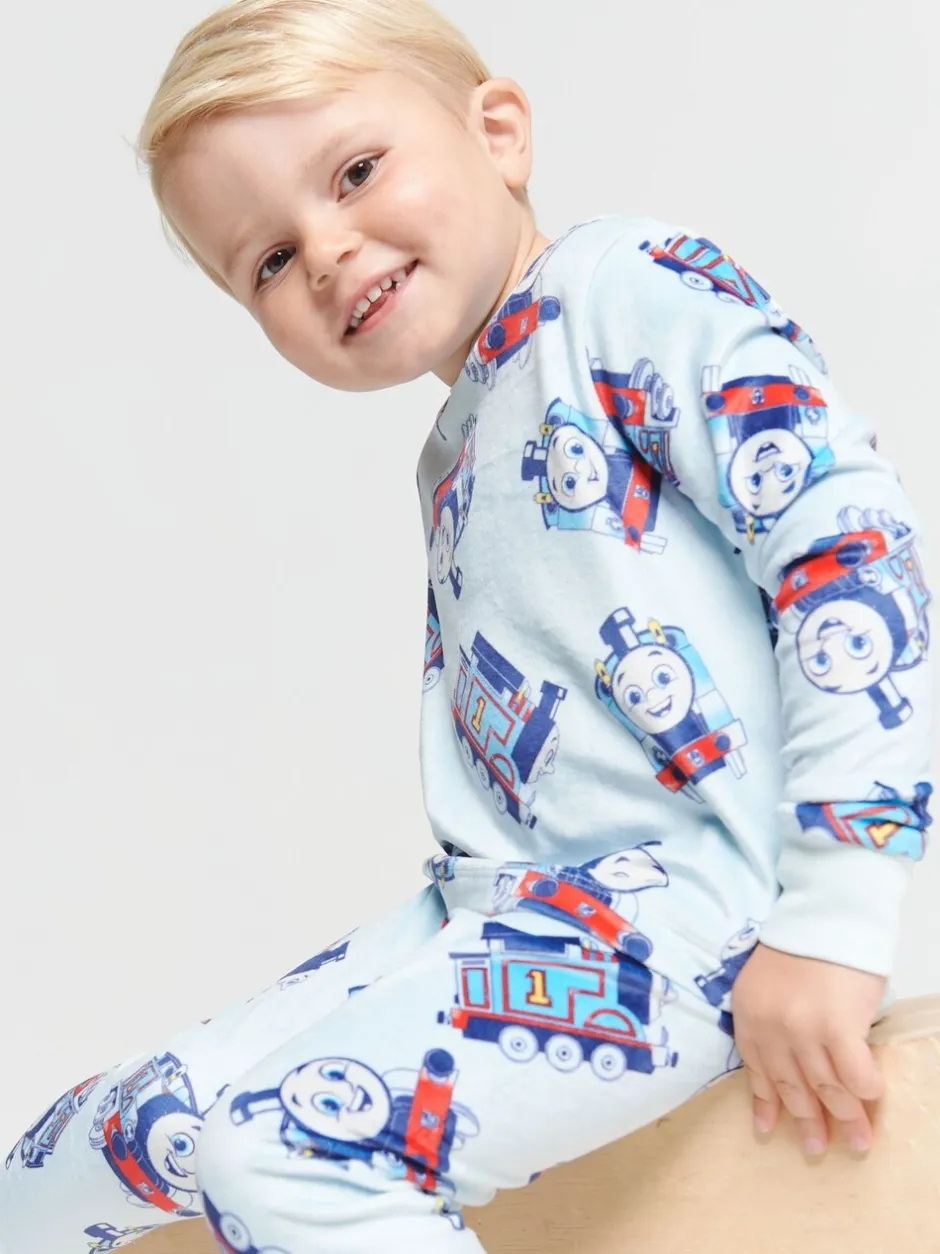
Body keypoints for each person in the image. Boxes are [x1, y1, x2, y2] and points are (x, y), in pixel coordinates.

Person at [1, 1, 933, 1251]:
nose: (325, 250)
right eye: (266, 261)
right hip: (495, 917)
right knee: (96, 1144)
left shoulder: (623, 290)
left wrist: (831, 920)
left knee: (283, 1154)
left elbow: (849, 556)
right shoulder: (456, 445)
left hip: (685, 926)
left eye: (354, 173)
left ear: (497, 132)